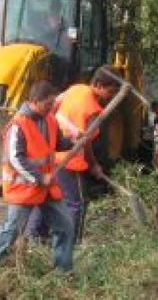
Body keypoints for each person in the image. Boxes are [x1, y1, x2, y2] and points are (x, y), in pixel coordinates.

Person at [0, 80, 76, 275]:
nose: (51, 108)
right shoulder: (17, 125)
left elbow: (56, 144)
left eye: (52, 104)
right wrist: (38, 177)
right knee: (12, 229)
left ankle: (63, 271)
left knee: (65, 226)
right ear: (35, 101)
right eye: (48, 104)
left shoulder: (49, 119)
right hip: (25, 188)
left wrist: (72, 140)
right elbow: (14, 158)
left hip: (46, 187)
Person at [27, 66, 120, 244]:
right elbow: (87, 144)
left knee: (46, 196)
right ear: (99, 85)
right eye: (111, 90)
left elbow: (53, 108)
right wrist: (94, 165)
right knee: (77, 203)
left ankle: (32, 237)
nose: (112, 95)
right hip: (71, 162)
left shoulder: (75, 88)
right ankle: (70, 242)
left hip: (52, 156)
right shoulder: (93, 110)